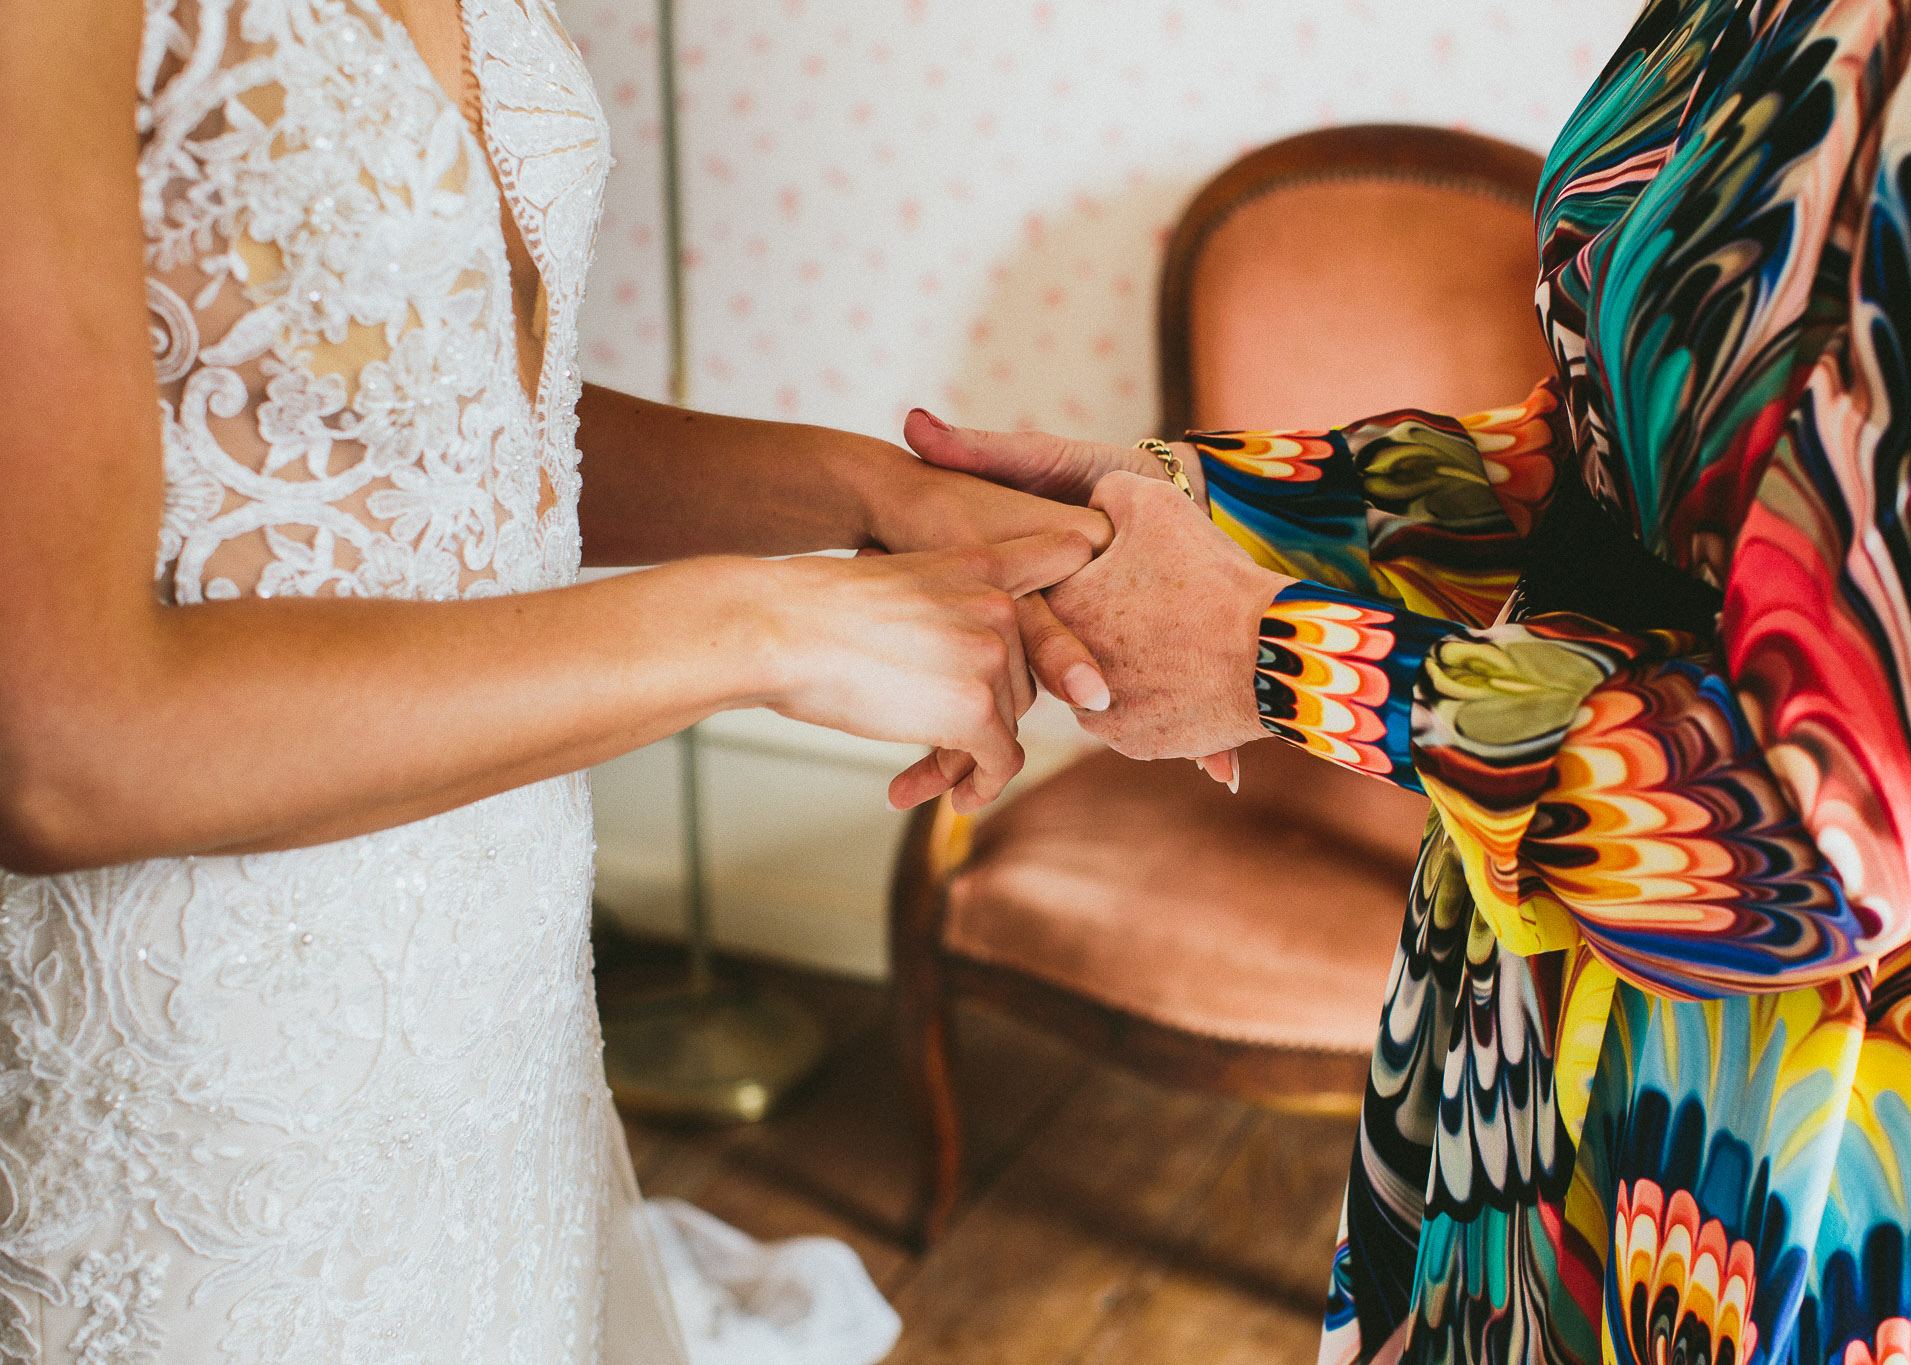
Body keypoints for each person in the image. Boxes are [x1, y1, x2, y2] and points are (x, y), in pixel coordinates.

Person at [907, 0, 1911, 1361]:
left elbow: (1837, 823)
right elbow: (1620, 470)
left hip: (1787, 1088)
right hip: (1520, 971)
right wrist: (1198, 503)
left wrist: (1275, 658)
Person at [0, 1, 1111, 1360]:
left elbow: (449, 415)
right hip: (196, 1051)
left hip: (497, 982)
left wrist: (864, 489)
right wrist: (762, 626)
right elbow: (63, 748)